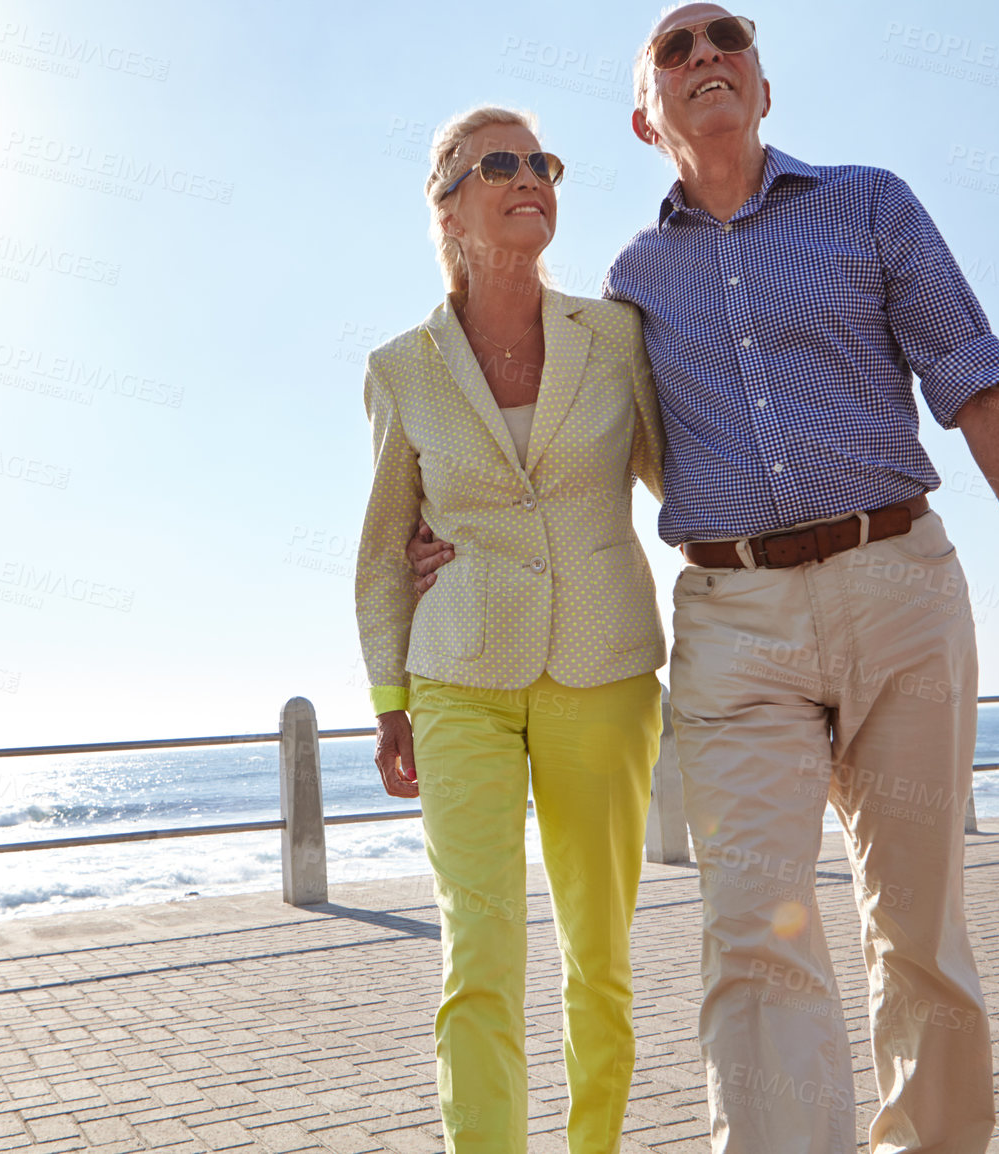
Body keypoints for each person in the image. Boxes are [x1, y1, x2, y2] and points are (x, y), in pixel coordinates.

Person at [405, 9, 999, 1153]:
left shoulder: (869, 202)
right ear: (645, 118)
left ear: (762, 88)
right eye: (673, 51)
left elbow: (975, 375)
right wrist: (454, 535)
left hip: (898, 586)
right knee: (753, 934)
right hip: (733, 622)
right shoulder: (630, 282)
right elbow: (561, 455)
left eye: (725, 37)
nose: (703, 55)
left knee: (917, 930)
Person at [354, 105, 669, 1153]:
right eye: (501, 162)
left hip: (606, 670)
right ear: (447, 201)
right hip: (458, 678)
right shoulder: (402, 365)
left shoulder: (616, 334)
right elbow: (381, 544)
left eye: (542, 161)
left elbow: (681, 477)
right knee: (477, 953)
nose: (530, 174)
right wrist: (389, 698)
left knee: (599, 955)